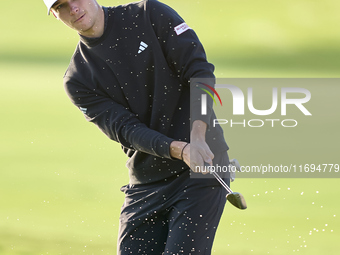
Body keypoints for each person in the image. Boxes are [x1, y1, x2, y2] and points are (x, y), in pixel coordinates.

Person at [43, 0, 230, 254]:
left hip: (203, 169)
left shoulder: (148, 14)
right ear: (55, 16)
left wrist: (198, 137)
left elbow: (200, 73)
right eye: (61, 6)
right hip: (147, 182)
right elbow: (127, 131)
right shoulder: (79, 79)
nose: (73, 8)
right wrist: (182, 149)